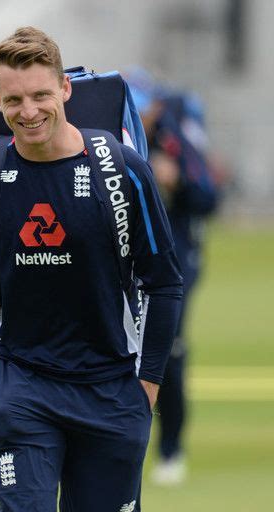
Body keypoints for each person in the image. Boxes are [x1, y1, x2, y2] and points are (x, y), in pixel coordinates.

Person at [0, 27, 182, 512]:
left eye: (40, 95)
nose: (28, 112)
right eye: (13, 100)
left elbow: (163, 283)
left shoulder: (121, 170)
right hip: (22, 390)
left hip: (111, 392)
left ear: (64, 90)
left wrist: (145, 386)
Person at [127, 69, 219, 485]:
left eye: (146, 110)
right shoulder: (112, 138)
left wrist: (176, 179)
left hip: (176, 260)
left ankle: (171, 448)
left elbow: (207, 198)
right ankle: (119, 446)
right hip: (124, 263)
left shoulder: (176, 137)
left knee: (169, 348)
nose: (140, 117)